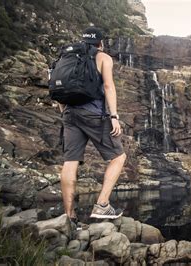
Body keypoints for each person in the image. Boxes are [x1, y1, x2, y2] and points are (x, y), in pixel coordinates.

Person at [58, 27, 127, 222]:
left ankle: (69, 217)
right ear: (100, 43)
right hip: (94, 114)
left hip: (70, 113)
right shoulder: (103, 57)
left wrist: (64, 111)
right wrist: (114, 116)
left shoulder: (67, 56)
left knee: (70, 162)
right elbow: (108, 86)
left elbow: (58, 85)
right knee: (118, 157)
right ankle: (102, 204)